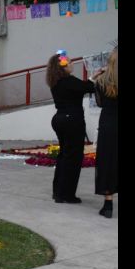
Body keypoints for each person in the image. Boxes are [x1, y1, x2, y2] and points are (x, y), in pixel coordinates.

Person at [46, 50, 96, 203]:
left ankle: (58, 192)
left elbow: (82, 87)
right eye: (69, 61)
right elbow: (88, 87)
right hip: (72, 121)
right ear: (63, 66)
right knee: (73, 158)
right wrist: (95, 77)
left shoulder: (56, 82)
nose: (72, 63)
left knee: (64, 155)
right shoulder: (69, 81)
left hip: (60, 119)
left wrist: (92, 78)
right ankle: (67, 195)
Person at [93, 46, 118, 218]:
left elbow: (100, 103)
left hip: (108, 123)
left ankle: (108, 204)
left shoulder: (102, 81)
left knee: (107, 161)